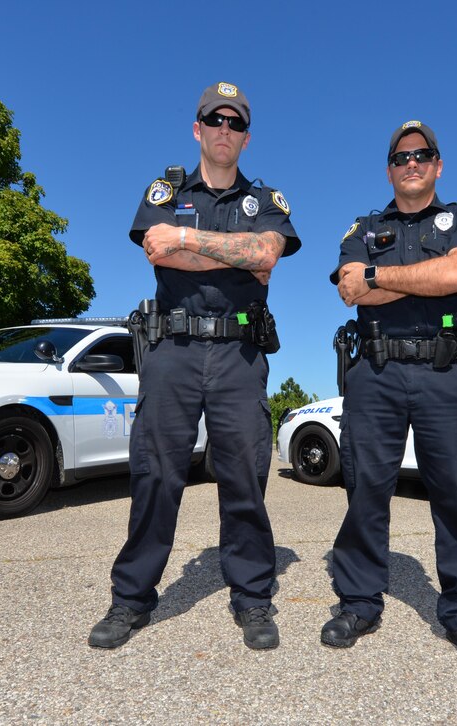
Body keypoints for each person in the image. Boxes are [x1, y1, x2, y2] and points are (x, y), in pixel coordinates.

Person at [89, 82, 301, 651]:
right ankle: (131, 598)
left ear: (246, 136)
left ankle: (253, 598)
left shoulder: (267, 201)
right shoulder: (165, 189)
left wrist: (188, 239)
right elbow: (158, 250)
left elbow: (266, 256)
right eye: (214, 120)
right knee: (155, 474)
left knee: (244, 476)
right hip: (172, 350)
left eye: (235, 123)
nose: (224, 130)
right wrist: (229, 250)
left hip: (239, 354)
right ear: (197, 128)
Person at [324, 120, 457, 667]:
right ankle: (358, 601)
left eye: (422, 155)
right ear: (389, 169)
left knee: (454, 495)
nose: (412, 164)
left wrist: (381, 279)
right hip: (374, 374)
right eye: (401, 157)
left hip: (446, 376)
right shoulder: (364, 227)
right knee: (366, 491)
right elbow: (349, 288)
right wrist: (402, 277)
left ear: (438, 165)